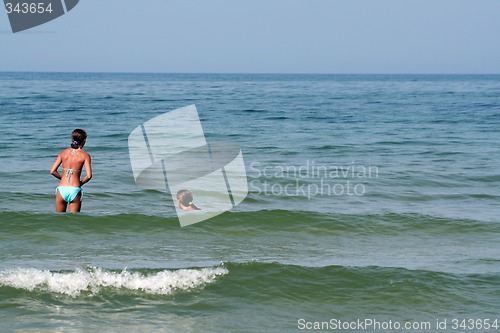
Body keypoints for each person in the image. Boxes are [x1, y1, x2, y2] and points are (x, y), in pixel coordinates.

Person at [50, 129, 92, 212]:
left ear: (72, 140)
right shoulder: (85, 155)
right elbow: (89, 176)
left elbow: (52, 171)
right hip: (75, 190)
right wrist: (80, 183)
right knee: (74, 221)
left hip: (62, 189)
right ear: (84, 141)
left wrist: (62, 178)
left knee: (59, 219)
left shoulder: (63, 153)